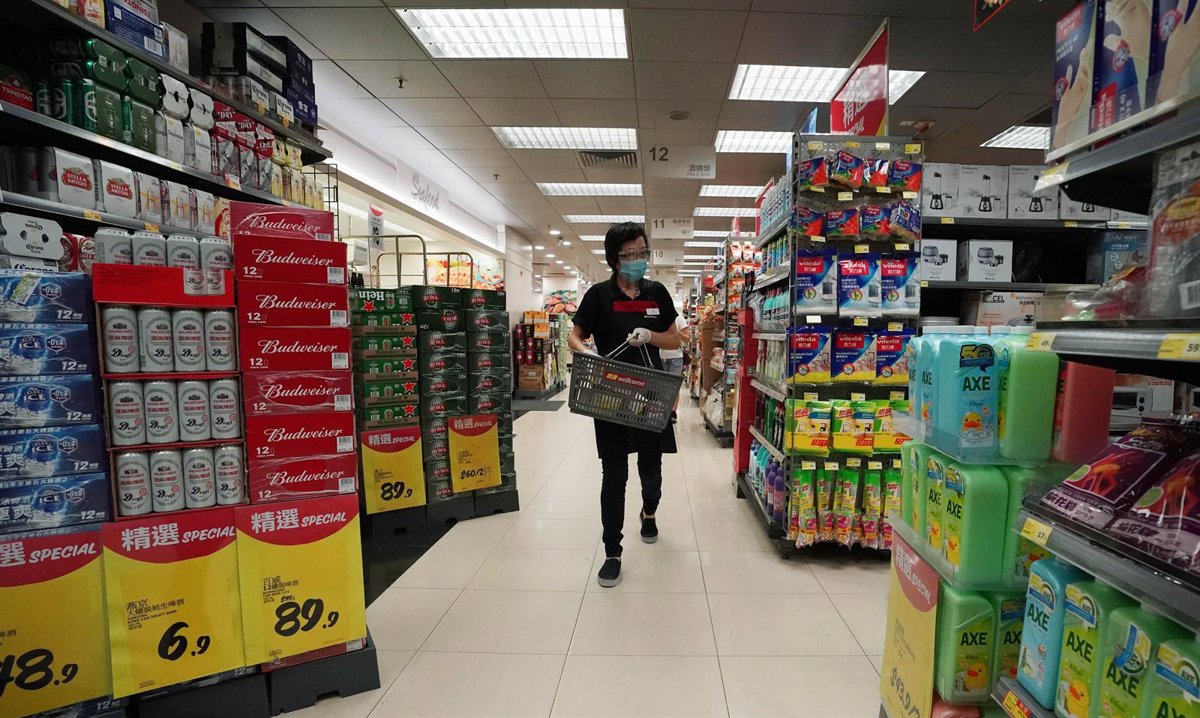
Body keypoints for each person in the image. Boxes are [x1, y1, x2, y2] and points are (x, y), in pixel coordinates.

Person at [568, 222, 682, 587]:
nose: (637, 260)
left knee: (651, 470)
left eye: (641, 253)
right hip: (610, 396)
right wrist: (585, 352)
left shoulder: (657, 293)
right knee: (614, 475)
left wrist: (650, 335)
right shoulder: (599, 295)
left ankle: (649, 510)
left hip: (651, 396)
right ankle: (612, 552)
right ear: (614, 259)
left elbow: (674, 339)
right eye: (629, 254)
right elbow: (575, 334)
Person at [657, 314, 690, 416]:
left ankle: (672, 412)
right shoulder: (659, 318)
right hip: (661, 356)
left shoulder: (679, 319)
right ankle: (663, 410)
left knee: (674, 386)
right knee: (662, 386)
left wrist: (677, 333)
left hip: (676, 357)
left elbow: (687, 339)